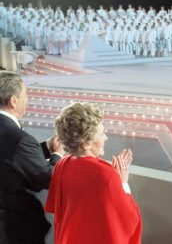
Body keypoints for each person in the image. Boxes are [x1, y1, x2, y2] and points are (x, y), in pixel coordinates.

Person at [0, 71, 63, 243]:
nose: (27, 101)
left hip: (1, 221)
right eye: (25, 96)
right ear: (13, 101)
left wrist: (45, 148)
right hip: (24, 228)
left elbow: (8, 157)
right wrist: (58, 154)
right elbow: (47, 178)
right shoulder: (19, 139)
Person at [45, 102, 142, 244]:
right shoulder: (105, 174)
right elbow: (130, 221)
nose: (106, 138)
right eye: (102, 133)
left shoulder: (61, 165)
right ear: (86, 143)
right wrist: (123, 183)